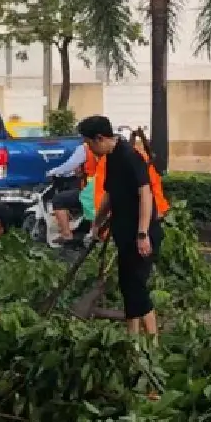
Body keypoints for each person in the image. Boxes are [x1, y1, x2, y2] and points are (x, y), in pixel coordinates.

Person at [82, 116, 163, 338]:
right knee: (127, 285)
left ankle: (152, 342)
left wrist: (143, 233)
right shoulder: (112, 157)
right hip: (125, 232)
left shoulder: (129, 156)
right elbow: (110, 194)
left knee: (136, 286)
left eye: (89, 144)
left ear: (99, 138)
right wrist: (97, 224)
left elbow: (145, 194)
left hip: (141, 234)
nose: (90, 149)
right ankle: (133, 338)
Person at [44, 139, 91, 247]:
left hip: (92, 191)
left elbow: (70, 165)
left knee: (59, 200)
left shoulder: (86, 148)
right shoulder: (112, 148)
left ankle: (66, 234)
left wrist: (53, 172)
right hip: (107, 189)